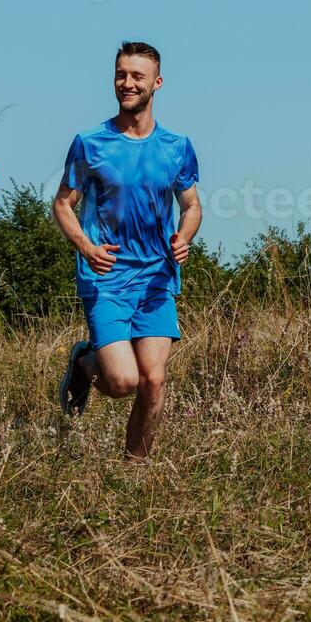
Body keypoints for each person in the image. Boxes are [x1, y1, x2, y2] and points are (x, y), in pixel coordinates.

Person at [53, 41, 202, 460]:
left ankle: (134, 470)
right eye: (121, 75)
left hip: (157, 278)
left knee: (153, 381)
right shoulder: (91, 142)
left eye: (137, 76)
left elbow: (191, 205)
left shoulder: (176, 146)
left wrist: (184, 236)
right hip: (108, 277)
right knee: (122, 383)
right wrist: (85, 246)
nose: (127, 83)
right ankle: (85, 361)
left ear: (157, 82)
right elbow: (63, 202)